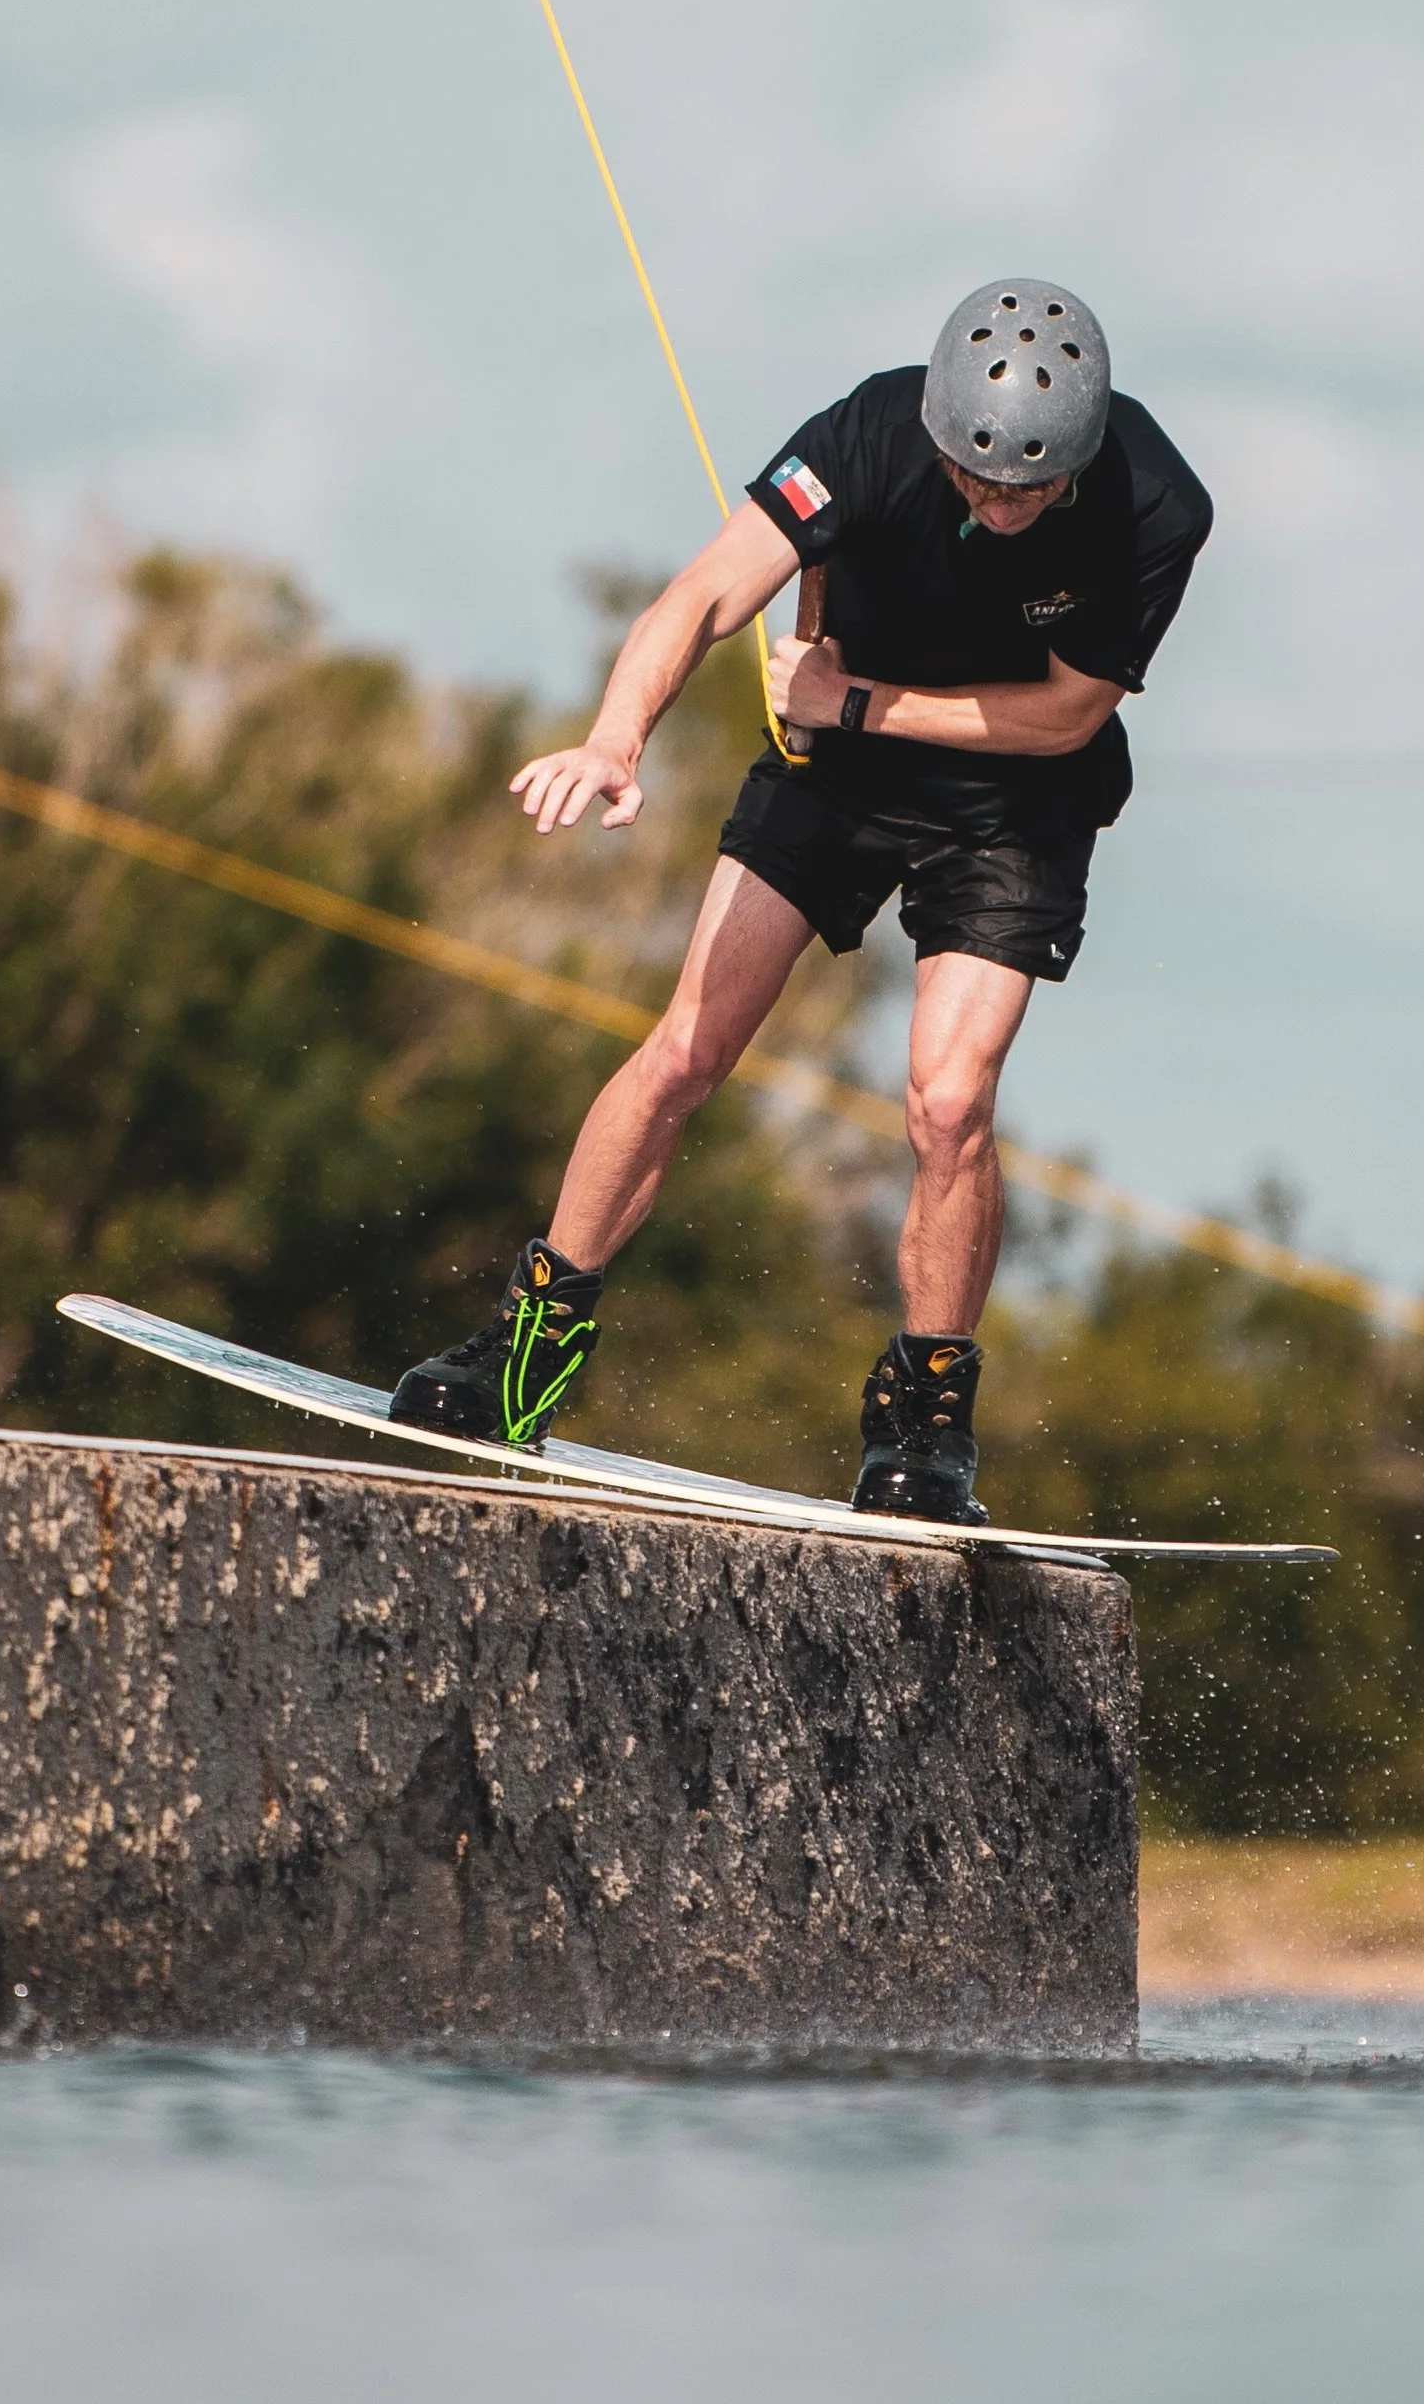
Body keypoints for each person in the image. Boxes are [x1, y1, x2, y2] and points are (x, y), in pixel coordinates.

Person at [392, 277, 1213, 1519]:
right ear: (939, 432)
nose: (998, 509)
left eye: (1028, 490)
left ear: (1082, 457)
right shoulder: (870, 435)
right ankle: (528, 1352)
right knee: (686, 1050)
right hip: (837, 777)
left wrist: (858, 701)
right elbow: (705, 594)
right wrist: (616, 740)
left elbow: (1065, 714)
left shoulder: (1156, 501)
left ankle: (927, 1422)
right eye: (976, 480)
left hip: (1014, 801)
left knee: (948, 1105)